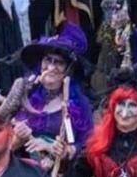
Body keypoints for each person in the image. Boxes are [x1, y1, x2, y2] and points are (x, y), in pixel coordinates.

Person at [12, 22, 94, 167]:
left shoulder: (79, 103)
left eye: (59, 63)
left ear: (69, 69)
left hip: (61, 173)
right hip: (23, 169)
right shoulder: (26, 92)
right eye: (47, 60)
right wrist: (19, 137)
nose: (50, 68)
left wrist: (62, 150)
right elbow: (6, 142)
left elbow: (87, 142)